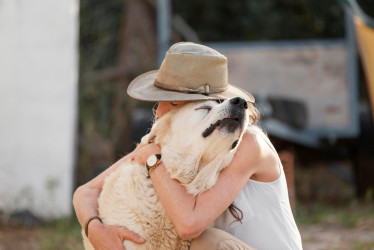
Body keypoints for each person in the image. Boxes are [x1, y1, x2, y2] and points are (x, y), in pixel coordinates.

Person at [73, 42, 303, 250]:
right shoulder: (172, 143)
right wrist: (95, 230)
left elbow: (189, 225)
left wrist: (154, 161)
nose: (158, 110)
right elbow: (86, 192)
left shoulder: (247, 144)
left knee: (205, 241)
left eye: (168, 100)